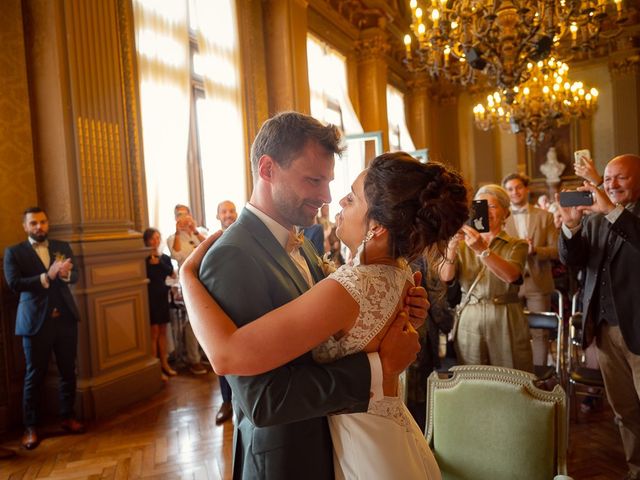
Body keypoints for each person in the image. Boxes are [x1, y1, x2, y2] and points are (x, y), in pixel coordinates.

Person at [182, 150, 469, 479]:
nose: (336, 202)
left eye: (351, 198)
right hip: (380, 430)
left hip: (362, 444)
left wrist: (187, 279)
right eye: (314, 180)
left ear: (377, 227)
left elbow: (227, 353)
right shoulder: (399, 271)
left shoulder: (351, 285)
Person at [557, 154, 640, 479]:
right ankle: (636, 469)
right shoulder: (594, 219)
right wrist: (571, 225)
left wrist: (612, 211)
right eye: (607, 180)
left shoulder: (618, 215)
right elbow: (573, 261)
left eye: (621, 179)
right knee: (624, 410)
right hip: (604, 329)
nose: (612, 185)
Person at [3, 207, 85, 450]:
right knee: (34, 376)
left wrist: (68, 274)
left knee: (68, 371)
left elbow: (75, 276)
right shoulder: (14, 252)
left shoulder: (61, 246)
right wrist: (46, 277)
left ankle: (67, 417)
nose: (39, 227)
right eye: (34, 223)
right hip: (34, 323)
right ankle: (30, 427)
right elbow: (14, 284)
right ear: (25, 226)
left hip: (66, 319)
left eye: (42, 222)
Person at [439, 185, 534, 373]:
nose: (486, 212)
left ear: (505, 212)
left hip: (505, 315)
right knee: (473, 377)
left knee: (510, 374)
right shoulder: (463, 245)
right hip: (470, 317)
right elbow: (446, 277)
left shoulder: (517, 244)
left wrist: (482, 250)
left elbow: (512, 275)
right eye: (480, 206)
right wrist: (451, 246)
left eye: (492, 206)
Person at [502, 173, 559, 366]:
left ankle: (539, 378)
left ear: (526, 189)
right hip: (509, 283)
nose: (514, 192)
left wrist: (536, 250)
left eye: (518, 187)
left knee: (540, 333)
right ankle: (517, 377)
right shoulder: (500, 218)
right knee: (510, 331)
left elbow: (557, 251)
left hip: (538, 281)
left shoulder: (545, 216)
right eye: (510, 189)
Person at [166, 204, 208, 375]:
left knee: (208, 316)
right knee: (193, 320)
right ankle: (194, 358)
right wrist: (178, 232)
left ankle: (207, 353)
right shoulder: (172, 238)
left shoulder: (199, 233)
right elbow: (176, 255)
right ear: (176, 219)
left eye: (186, 214)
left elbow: (212, 247)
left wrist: (195, 230)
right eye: (179, 215)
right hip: (188, 282)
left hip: (206, 278)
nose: (183, 218)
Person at [213, 200, 238, 424]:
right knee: (223, 355)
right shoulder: (211, 242)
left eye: (231, 211)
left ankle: (242, 401)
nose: (228, 214)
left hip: (243, 303)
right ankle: (226, 401)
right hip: (220, 304)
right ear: (218, 216)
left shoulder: (245, 238)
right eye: (224, 211)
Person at [143, 228, 176, 380]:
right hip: (150, 297)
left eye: (158, 238)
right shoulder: (143, 259)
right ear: (147, 241)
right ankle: (155, 368)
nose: (155, 241)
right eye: (152, 238)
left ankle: (165, 364)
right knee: (154, 333)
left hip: (163, 296)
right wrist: (152, 262)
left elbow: (171, 273)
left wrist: (159, 262)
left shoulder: (164, 258)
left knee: (163, 331)